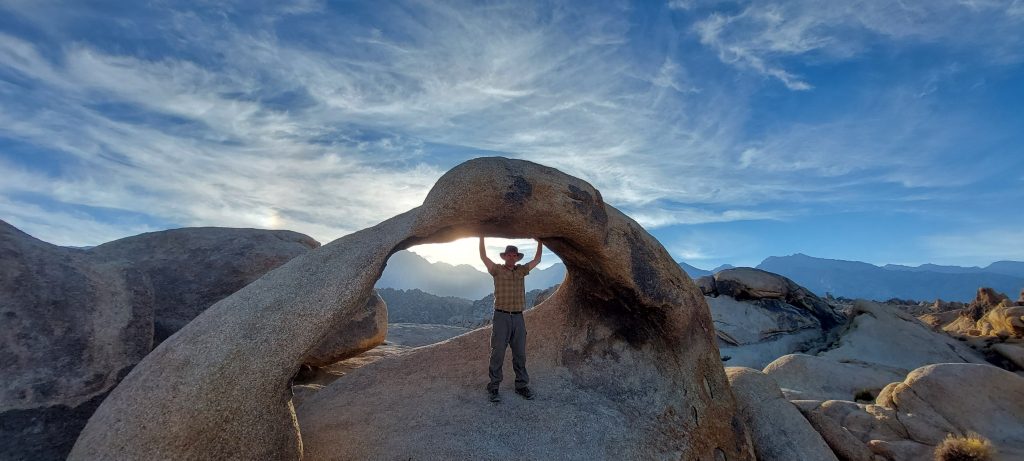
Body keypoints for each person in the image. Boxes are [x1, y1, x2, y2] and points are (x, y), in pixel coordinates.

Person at [478, 236, 542, 403]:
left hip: (518, 317)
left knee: (520, 353)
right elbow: (483, 257)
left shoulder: (521, 271)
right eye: (509, 255)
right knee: (498, 351)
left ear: (517, 257)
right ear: (504, 256)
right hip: (501, 316)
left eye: (514, 255)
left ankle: (521, 385)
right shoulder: (497, 270)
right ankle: (493, 387)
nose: (512, 258)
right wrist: (481, 237)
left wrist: (541, 241)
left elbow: (537, 260)